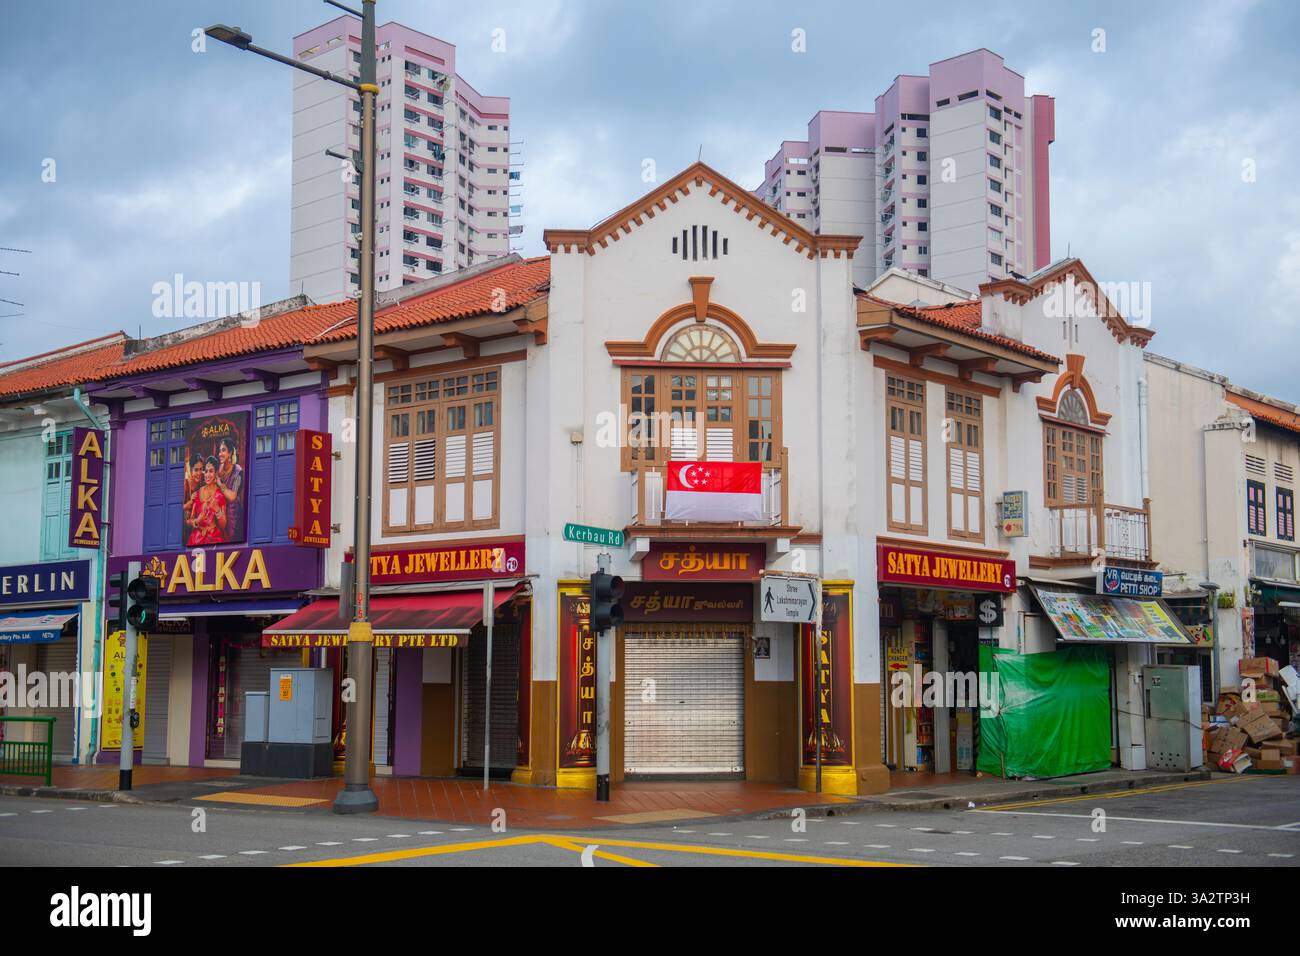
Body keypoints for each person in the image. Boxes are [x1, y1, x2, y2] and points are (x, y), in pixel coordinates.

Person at [186, 456, 228, 546]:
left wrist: (217, 510)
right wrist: (197, 521)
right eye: (206, 471)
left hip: (214, 538)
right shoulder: (198, 493)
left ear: (216, 473)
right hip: (196, 538)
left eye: (211, 471)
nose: (208, 475)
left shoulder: (220, 495)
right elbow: (189, 520)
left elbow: (223, 525)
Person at [215, 436, 244, 541]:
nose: (220, 454)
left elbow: (232, 496)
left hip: (233, 516)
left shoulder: (237, 471)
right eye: (219, 451)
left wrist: (219, 483)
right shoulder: (219, 469)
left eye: (223, 450)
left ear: (230, 453)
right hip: (220, 513)